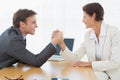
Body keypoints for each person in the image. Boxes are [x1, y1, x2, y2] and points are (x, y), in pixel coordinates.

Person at [53, 2, 120, 80]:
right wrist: (61, 43)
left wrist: (88, 64)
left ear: (93, 16)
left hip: (112, 76)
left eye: (84, 17)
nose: (83, 20)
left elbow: (114, 62)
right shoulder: (88, 35)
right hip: (96, 73)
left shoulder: (114, 32)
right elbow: (75, 58)